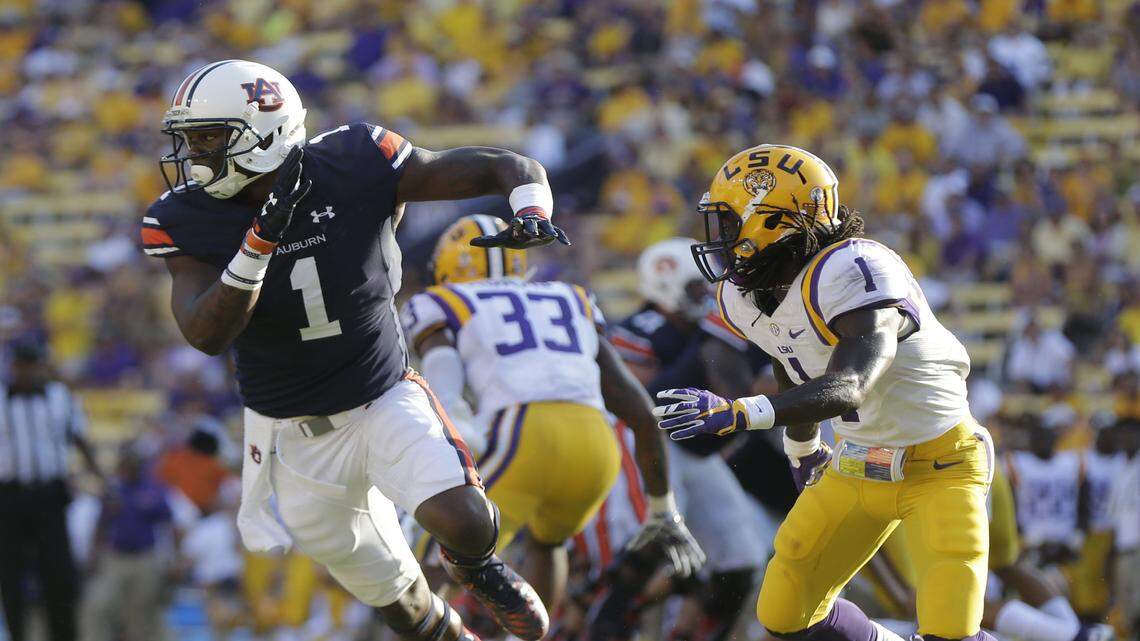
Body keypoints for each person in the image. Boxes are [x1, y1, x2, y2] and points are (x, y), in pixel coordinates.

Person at [141, 59, 569, 641]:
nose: (194, 155)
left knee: (468, 522)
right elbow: (206, 334)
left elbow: (504, 166)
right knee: (395, 599)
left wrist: (532, 208)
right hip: (291, 436)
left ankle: (473, 565)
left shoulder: (355, 159)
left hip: (382, 393)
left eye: (211, 138)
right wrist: (259, 242)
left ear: (264, 131)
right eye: (190, 140)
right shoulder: (184, 218)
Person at [653, 144, 996, 641]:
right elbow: (791, 361)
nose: (721, 240)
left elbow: (849, 385)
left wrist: (737, 413)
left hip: (940, 464)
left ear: (773, 222)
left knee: (950, 629)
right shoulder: (746, 294)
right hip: (857, 462)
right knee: (784, 612)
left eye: (729, 225)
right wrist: (802, 448)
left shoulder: (854, 268)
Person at [400, 215, 704, 615]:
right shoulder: (570, 296)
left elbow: (440, 361)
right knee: (549, 542)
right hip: (597, 445)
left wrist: (452, 417)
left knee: (426, 555)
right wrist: (663, 506)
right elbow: (639, 410)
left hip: (525, 431)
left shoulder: (440, 301)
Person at [600, 237, 771, 641]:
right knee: (652, 544)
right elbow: (634, 404)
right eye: (696, 286)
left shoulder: (706, 328)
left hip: (692, 450)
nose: (705, 295)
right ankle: (605, 622)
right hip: (646, 444)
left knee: (741, 557)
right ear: (665, 282)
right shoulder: (642, 329)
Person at [0, 342, 103, 641]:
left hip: (50, 495)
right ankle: (18, 634)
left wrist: (101, 479)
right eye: (23, 365)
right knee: (11, 574)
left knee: (58, 573)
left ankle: (64, 635)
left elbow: (80, 439)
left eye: (34, 365)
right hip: (9, 497)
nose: (28, 371)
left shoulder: (61, 398)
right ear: (13, 366)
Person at [80, 443, 173, 641]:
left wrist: (173, 557)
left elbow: (169, 524)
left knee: (143, 610)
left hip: (144, 557)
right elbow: (101, 524)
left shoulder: (153, 490)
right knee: (102, 605)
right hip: (115, 557)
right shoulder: (114, 489)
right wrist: (93, 553)